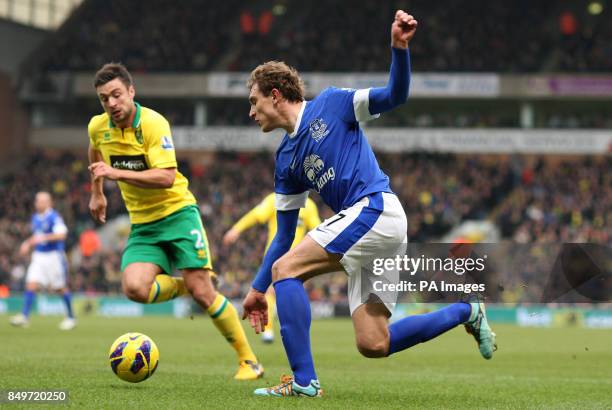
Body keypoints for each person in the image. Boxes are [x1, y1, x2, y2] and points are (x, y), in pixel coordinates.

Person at [242, 10, 497, 397]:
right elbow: (283, 234)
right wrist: (259, 287)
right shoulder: (285, 161)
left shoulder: (332, 104)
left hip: (375, 209)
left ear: (275, 95)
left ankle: (304, 382)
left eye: (254, 101)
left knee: (287, 270)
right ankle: (467, 310)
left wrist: (399, 48)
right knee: (373, 343)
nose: (251, 111)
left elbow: (395, 96)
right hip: (371, 229)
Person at [87, 63, 263, 380]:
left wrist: (116, 174)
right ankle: (187, 288)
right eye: (104, 99)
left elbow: (167, 177)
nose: (111, 103)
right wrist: (97, 193)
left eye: (116, 95)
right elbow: (94, 152)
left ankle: (248, 360)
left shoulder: (154, 123)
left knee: (206, 295)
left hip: (179, 215)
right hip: (144, 225)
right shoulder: (98, 127)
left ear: (131, 92)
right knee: (134, 288)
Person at [223, 193, 321, 343]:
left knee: (271, 292)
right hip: (297, 258)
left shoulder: (277, 199)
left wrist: (236, 229)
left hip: (279, 256)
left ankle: (269, 331)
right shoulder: (307, 204)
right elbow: (317, 229)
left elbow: (256, 215)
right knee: (287, 293)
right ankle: (293, 332)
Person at [9, 191, 76, 330]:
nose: (38, 203)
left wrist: (41, 238)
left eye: (41, 201)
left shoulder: (54, 217)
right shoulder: (35, 217)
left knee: (60, 288)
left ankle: (70, 317)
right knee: (31, 284)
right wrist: (28, 243)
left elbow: (61, 235)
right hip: (39, 256)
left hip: (54, 256)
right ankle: (24, 316)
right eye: (37, 200)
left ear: (49, 203)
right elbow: (37, 237)